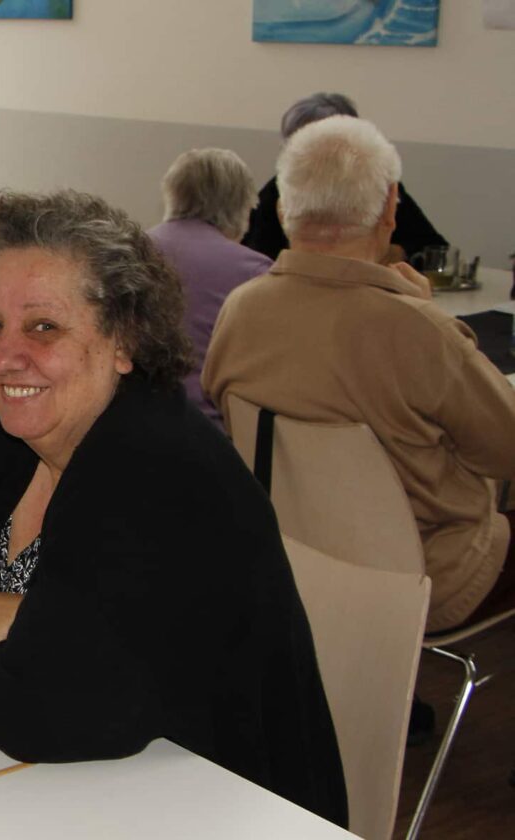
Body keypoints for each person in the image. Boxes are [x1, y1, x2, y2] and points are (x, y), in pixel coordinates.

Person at [0, 189, 348, 828]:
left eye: (44, 327)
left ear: (123, 341)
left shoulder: (158, 470)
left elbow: (34, 710)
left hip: (226, 808)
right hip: (75, 799)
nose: (4, 356)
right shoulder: (6, 431)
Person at [204, 116, 515, 635]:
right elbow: (504, 451)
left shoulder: (241, 310)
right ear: (390, 209)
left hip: (287, 563)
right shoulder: (421, 331)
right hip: (421, 575)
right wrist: (420, 314)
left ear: (282, 209)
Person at [241, 92, 447, 264]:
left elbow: (434, 250)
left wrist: (394, 253)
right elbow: (256, 256)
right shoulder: (277, 191)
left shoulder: (379, 184)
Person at [148, 148, 271, 424]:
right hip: (211, 432)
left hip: (125, 422)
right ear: (241, 206)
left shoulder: (129, 250)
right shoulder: (257, 273)